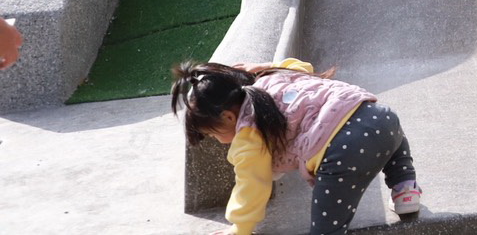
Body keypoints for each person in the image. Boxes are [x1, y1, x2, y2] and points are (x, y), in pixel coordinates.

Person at [171, 59, 422, 234]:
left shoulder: (249, 135)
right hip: (381, 115)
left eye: (214, 134)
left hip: (345, 153)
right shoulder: (274, 77)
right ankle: (405, 189)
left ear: (228, 117)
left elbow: (252, 186)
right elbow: (303, 67)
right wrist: (266, 66)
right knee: (388, 136)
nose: (218, 141)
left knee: (327, 227)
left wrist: (239, 228)